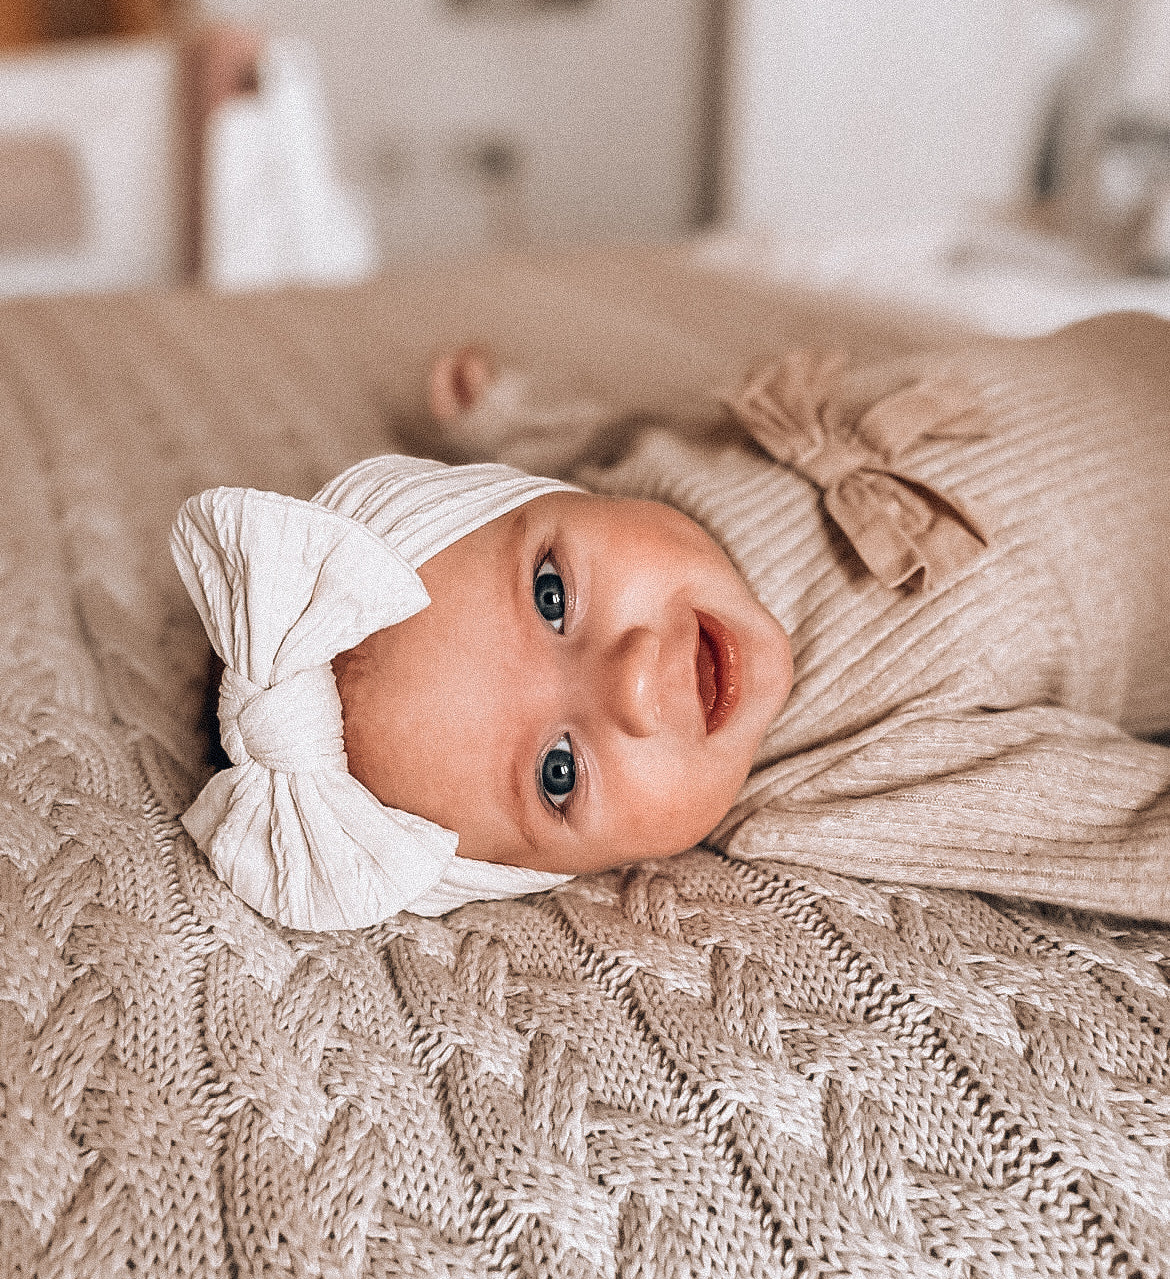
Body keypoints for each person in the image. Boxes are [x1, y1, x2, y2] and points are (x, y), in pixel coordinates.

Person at [175, 310, 1170, 932]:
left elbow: (598, 445)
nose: (635, 677)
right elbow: (1110, 824)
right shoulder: (823, 781)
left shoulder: (641, 484)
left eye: (552, 595)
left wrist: (501, 415)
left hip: (1124, 348)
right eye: (558, 772)